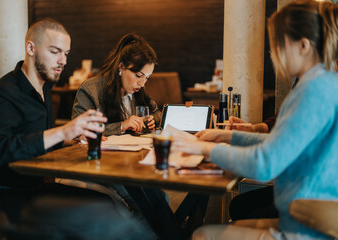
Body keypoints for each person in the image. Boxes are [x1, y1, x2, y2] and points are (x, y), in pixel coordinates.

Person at [173, 1, 338, 239]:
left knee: (203, 235)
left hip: (306, 229)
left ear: (303, 45)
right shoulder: (324, 83)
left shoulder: (314, 90)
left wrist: (204, 148)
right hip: (303, 220)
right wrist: (225, 135)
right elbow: (279, 142)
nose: (274, 55)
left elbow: (265, 163)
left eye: (279, 45)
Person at [0, 19, 123, 224]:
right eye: (55, 51)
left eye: (66, 53)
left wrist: (72, 139)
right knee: (101, 211)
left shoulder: (45, 89)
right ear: (31, 48)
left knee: (106, 201)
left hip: (39, 188)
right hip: (9, 197)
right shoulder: (3, 92)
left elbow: (34, 137)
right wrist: (63, 131)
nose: (63, 61)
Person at [72, 33, 162, 136]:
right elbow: (78, 131)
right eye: (138, 75)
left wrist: (152, 120)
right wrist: (121, 126)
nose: (142, 83)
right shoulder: (90, 90)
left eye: (147, 77)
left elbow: (157, 114)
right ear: (121, 66)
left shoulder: (138, 90)